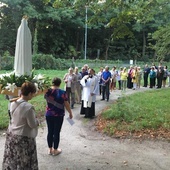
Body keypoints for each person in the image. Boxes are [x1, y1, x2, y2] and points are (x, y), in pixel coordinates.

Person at [2, 82, 39, 170]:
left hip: (12, 135)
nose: (33, 96)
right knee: (24, 161)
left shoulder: (13, 103)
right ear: (30, 93)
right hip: (23, 138)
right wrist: (37, 121)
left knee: (14, 159)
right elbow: (32, 124)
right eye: (33, 94)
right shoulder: (29, 107)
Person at [44, 77, 73, 156]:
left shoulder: (47, 91)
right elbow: (66, 104)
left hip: (49, 114)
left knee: (50, 131)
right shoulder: (63, 93)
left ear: (52, 82)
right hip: (58, 115)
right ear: (60, 83)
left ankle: (50, 149)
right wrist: (70, 113)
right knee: (56, 132)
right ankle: (55, 150)